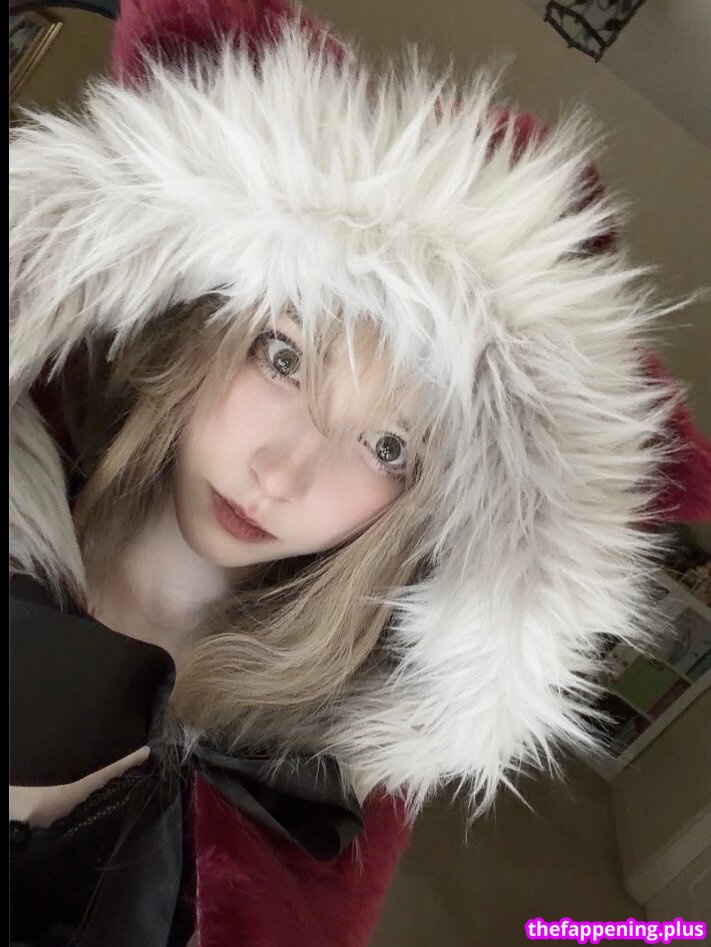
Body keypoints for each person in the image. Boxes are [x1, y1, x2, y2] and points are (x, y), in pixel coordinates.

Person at [9, 0, 711, 944]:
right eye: (284, 358)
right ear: (207, 323)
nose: (281, 472)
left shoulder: (316, 806)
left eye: (388, 448)